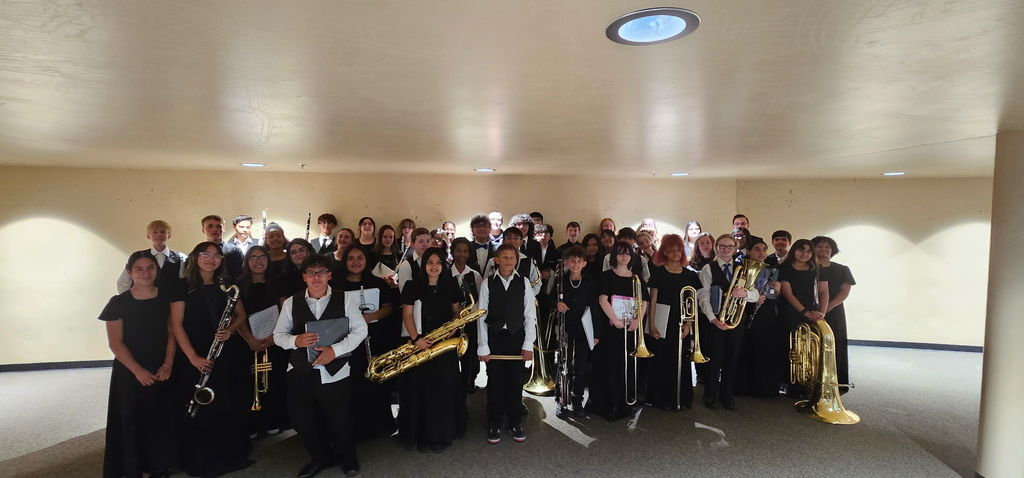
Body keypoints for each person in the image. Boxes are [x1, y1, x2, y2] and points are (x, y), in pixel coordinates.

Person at [273, 254, 367, 477]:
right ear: (304, 277)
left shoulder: (344, 299)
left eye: (321, 272)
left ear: (329, 275)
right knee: (302, 420)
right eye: (311, 273)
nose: (317, 277)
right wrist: (295, 341)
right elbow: (278, 336)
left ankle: (348, 457)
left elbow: (361, 330)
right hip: (300, 371)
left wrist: (335, 350)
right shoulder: (291, 303)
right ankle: (320, 458)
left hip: (335, 372)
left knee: (341, 418)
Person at [170, 242, 253, 477]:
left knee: (226, 403)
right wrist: (193, 357)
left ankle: (228, 456)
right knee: (198, 407)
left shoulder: (228, 286)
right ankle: (199, 461)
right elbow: (176, 325)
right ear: (196, 258)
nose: (211, 259)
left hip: (224, 353)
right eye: (205, 255)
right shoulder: (182, 287)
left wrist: (231, 330)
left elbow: (241, 315)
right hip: (194, 354)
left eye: (216, 255)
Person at [100, 252, 178, 478]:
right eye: (139, 269)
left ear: (157, 270)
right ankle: (137, 467)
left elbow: (171, 333)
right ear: (130, 272)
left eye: (150, 268)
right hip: (130, 370)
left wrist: (168, 364)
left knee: (160, 416)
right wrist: (138, 371)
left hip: (161, 365)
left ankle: (159, 464)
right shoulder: (118, 302)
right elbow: (115, 343)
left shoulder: (166, 298)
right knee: (134, 418)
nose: (145, 273)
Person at [398, 247, 466, 452]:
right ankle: (419, 435)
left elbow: (456, 312)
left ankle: (441, 435)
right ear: (423, 264)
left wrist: (451, 330)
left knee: (442, 391)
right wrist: (416, 339)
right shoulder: (412, 286)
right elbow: (407, 315)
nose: (434, 266)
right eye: (430, 262)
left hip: (444, 346)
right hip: (420, 344)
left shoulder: (451, 284)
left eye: (438, 262)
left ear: (443, 264)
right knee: (420, 389)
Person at [334, 245, 398, 440]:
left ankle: (381, 425)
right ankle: (355, 428)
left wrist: (371, 317)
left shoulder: (378, 283)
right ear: (345, 261)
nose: (355, 262)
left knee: (375, 381)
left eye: (359, 257)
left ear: (366, 260)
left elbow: (389, 307)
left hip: (374, 339)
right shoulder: (337, 285)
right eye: (351, 258)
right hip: (347, 341)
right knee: (352, 384)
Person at [477, 244, 536, 443]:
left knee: (515, 381)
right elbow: (481, 316)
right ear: (497, 260)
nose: (509, 260)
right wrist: (483, 346)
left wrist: (528, 344)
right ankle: (494, 423)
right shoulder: (487, 284)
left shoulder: (524, 283)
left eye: (512, 257)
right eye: (504, 257)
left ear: (516, 260)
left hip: (516, 338)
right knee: (494, 382)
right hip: (495, 338)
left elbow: (530, 315)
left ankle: (515, 422)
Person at [586, 241, 650, 421]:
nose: (624, 257)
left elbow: (643, 301)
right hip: (610, 328)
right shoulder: (606, 276)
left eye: (627, 253)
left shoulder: (637, 279)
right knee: (608, 365)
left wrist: (638, 320)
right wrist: (615, 320)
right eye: (620, 253)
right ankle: (604, 404)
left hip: (630, 328)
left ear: (632, 257)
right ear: (614, 256)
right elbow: (602, 300)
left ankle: (622, 403)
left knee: (625, 366)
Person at [696, 234, 760, 410]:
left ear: (735, 249)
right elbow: (703, 296)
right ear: (716, 248)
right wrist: (713, 319)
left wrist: (745, 294)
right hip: (715, 321)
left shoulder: (743, 268)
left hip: (736, 322)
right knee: (714, 359)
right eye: (722, 246)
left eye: (730, 247)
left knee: (732, 359)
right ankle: (710, 395)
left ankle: (727, 395)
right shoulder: (708, 268)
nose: (726, 250)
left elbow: (755, 295)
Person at [235, 245, 289, 437]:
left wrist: (274, 337)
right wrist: (250, 340)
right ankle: (253, 424)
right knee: (248, 382)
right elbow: (237, 316)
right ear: (247, 262)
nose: (258, 261)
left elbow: (285, 311)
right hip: (247, 341)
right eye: (253, 258)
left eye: (262, 257)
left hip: (274, 339)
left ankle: (272, 420)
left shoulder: (278, 282)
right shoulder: (238, 284)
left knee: (275, 381)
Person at [646, 234, 702, 410]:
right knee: (662, 359)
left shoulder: (690, 275)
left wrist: (688, 325)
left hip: (681, 322)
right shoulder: (658, 273)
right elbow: (652, 300)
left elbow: (692, 303)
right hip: (663, 321)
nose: (676, 254)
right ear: (664, 252)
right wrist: (652, 324)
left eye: (678, 250)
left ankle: (682, 398)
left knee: (681, 360)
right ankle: (661, 399)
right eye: (671, 251)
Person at [778, 239, 829, 395]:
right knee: (792, 348)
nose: (805, 254)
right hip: (790, 311)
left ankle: (807, 384)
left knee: (810, 350)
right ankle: (790, 384)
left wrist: (822, 312)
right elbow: (788, 293)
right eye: (801, 250)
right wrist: (804, 312)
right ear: (794, 250)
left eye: (808, 251)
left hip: (813, 312)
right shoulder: (784, 268)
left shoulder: (817, 269)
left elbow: (824, 292)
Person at [554, 246, 599, 417]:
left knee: (580, 366)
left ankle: (577, 398)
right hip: (566, 328)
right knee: (564, 364)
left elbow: (594, 307)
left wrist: (596, 334)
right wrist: (556, 304)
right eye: (572, 260)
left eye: (579, 261)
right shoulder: (560, 280)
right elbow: (549, 298)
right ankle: (561, 399)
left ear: (585, 264)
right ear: (566, 262)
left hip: (583, 328)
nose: (575, 263)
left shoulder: (589, 282)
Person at [740, 239, 786, 397]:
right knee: (747, 349)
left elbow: (775, 298)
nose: (761, 253)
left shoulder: (772, 270)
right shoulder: (741, 268)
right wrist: (752, 298)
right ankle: (745, 385)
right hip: (745, 311)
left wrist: (778, 291)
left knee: (764, 349)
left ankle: (764, 387)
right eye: (757, 249)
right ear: (749, 252)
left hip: (766, 313)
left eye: (764, 249)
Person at [812, 235, 855, 392]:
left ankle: (836, 383)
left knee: (835, 344)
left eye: (827, 247)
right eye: (819, 246)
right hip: (810, 311)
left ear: (833, 250)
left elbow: (844, 291)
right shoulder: (807, 268)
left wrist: (827, 307)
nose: (823, 249)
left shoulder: (842, 269)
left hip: (834, 311)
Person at [116, 220, 186, 293]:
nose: (159, 235)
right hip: (144, 302)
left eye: (162, 232)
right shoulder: (137, 256)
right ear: (148, 235)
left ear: (169, 235)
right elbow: (123, 282)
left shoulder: (181, 257)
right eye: (155, 232)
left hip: (171, 302)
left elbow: (184, 283)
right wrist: (129, 301)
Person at [450, 238, 484, 393]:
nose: (461, 254)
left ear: (469, 254)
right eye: (458, 250)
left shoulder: (475, 275)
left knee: (469, 356)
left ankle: (468, 382)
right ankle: (453, 384)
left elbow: (480, 300)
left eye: (465, 251)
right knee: (451, 355)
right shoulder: (445, 274)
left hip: (469, 322)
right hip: (452, 321)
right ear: (452, 252)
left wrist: (468, 313)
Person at [483, 227, 542, 297]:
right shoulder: (493, 261)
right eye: (509, 238)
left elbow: (537, 284)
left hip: (523, 302)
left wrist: (525, 297)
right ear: (503, 241)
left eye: (516, 238)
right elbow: (486, 282)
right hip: (497, 300)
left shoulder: (528, 261)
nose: (512, 241)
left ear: (521, 242)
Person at [397, 228, 431, 293]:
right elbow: (405, 293)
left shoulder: (436, 262)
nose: (425, 245)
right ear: (412, 244)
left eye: (428, 241)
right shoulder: (406, 265)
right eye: (421, 241)